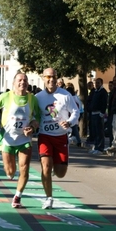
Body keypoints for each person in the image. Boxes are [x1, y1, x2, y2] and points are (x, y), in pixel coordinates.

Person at [0, 73, 39, 208]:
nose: (22, 82)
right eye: (19, 80)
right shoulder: (6, 97)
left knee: (24, 168)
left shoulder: (32, 99)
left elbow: (38, 117)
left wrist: (32, 126)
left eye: (25, 80)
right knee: (10, 172)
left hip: (24, 139)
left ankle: (17, 196)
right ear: (14, 83)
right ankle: (10, 170)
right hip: (8, 139)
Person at [35, 68, 80, 209]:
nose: (51, 79)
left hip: (61, 137)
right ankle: (48, 198)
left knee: (60, 173)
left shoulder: (65, 95)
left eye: (53, 77)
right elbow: (33, 115)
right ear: (43, 78)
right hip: (45, 136)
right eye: (48, 77)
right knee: (46, 167)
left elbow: (76, 112)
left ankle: (56, 165)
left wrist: (70, 122)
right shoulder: (38, 97)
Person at [89, 78, 108, 155]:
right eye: (96, 83)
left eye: (98, 83)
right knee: (95, 132)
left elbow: (104, 103)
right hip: (93, 113)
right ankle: (96, 147)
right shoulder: (95, 91)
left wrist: (102, 113)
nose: (96, 84)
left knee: (99, 131)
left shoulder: (103, 92)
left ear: (101, 83)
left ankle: (100, 148)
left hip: (99, 113)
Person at [66, 83, 83, 147]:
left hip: (71, 115)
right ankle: (77, 140)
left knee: (74, 129)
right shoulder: (76, 97)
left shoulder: (72, 98)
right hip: (74, 115)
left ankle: (78, 141)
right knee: (74, 129)